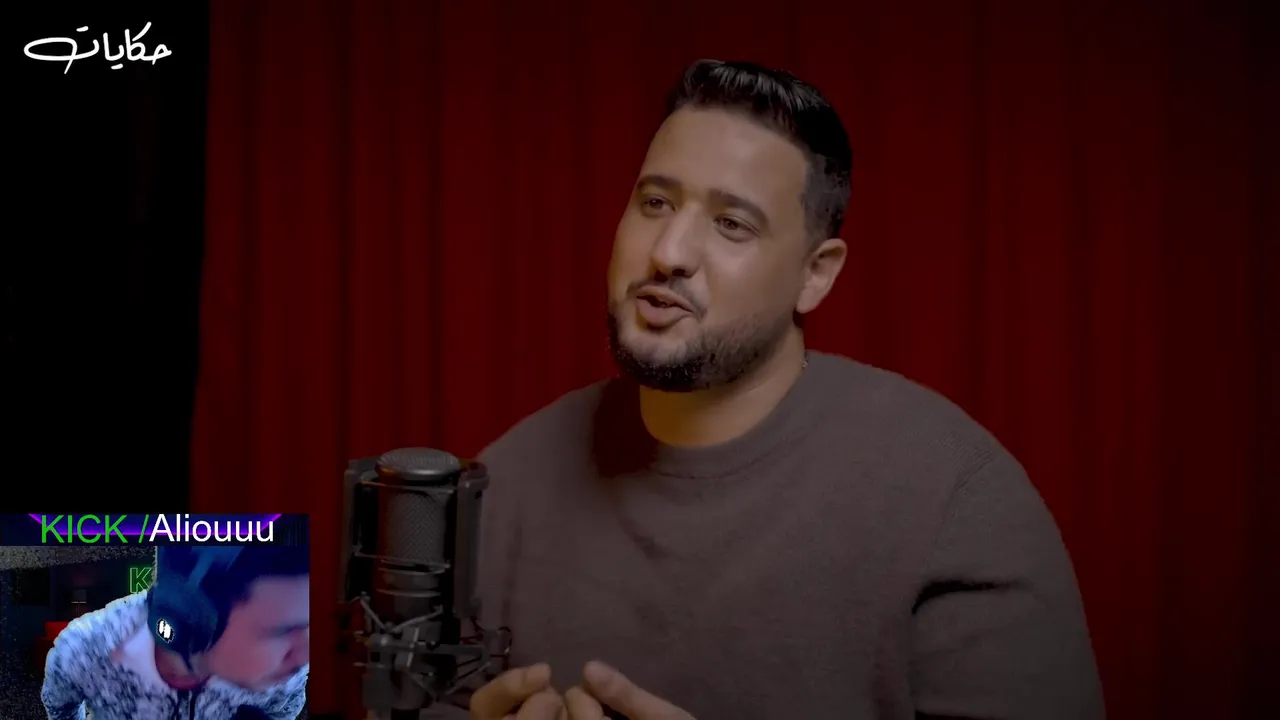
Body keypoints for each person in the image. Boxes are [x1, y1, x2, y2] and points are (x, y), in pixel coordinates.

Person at [458, 58, 1106, 720]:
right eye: (655, 203)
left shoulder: (955, 499)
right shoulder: (502, 486)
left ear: (815, 274)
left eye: (731, 224)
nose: (669, 252)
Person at [41, 545, 310, 720]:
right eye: (281, 630)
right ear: (190, 617)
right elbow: (60, 709)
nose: (306, 655)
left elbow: (282, 712)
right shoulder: (83, 650)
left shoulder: (285, 674)